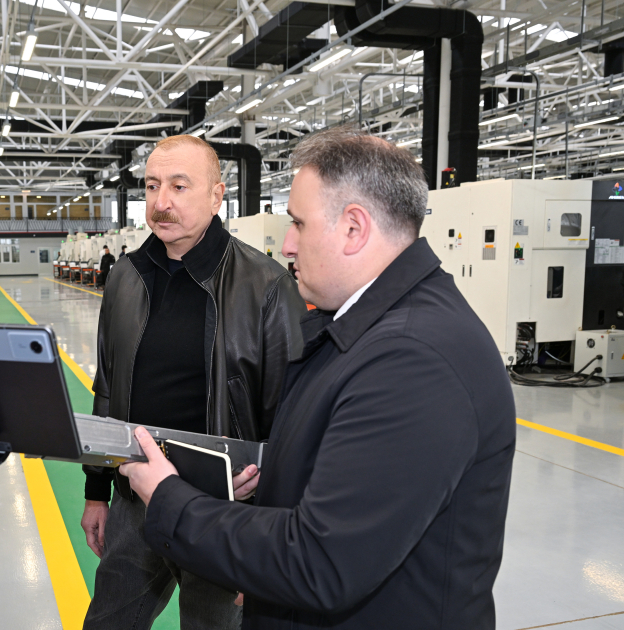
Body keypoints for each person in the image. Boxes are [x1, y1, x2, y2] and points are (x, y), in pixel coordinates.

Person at [119, 127, 517, 629]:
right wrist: (252, 542)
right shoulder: (358, 329)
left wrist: (170, 499)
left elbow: (320, 562)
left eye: (298, 224)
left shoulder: (413, 360)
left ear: (354, 228)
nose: (287, 245)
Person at [82, 134, 308, 630]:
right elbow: (108, 386)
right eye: (152, 186)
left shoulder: (267, 286)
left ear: (216, 196)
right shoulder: (126, 277)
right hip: (135, 494)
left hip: (221, 509)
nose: (161, 202)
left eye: (179, 186)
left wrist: (272, 531)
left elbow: (292, 417)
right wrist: (96, 490)